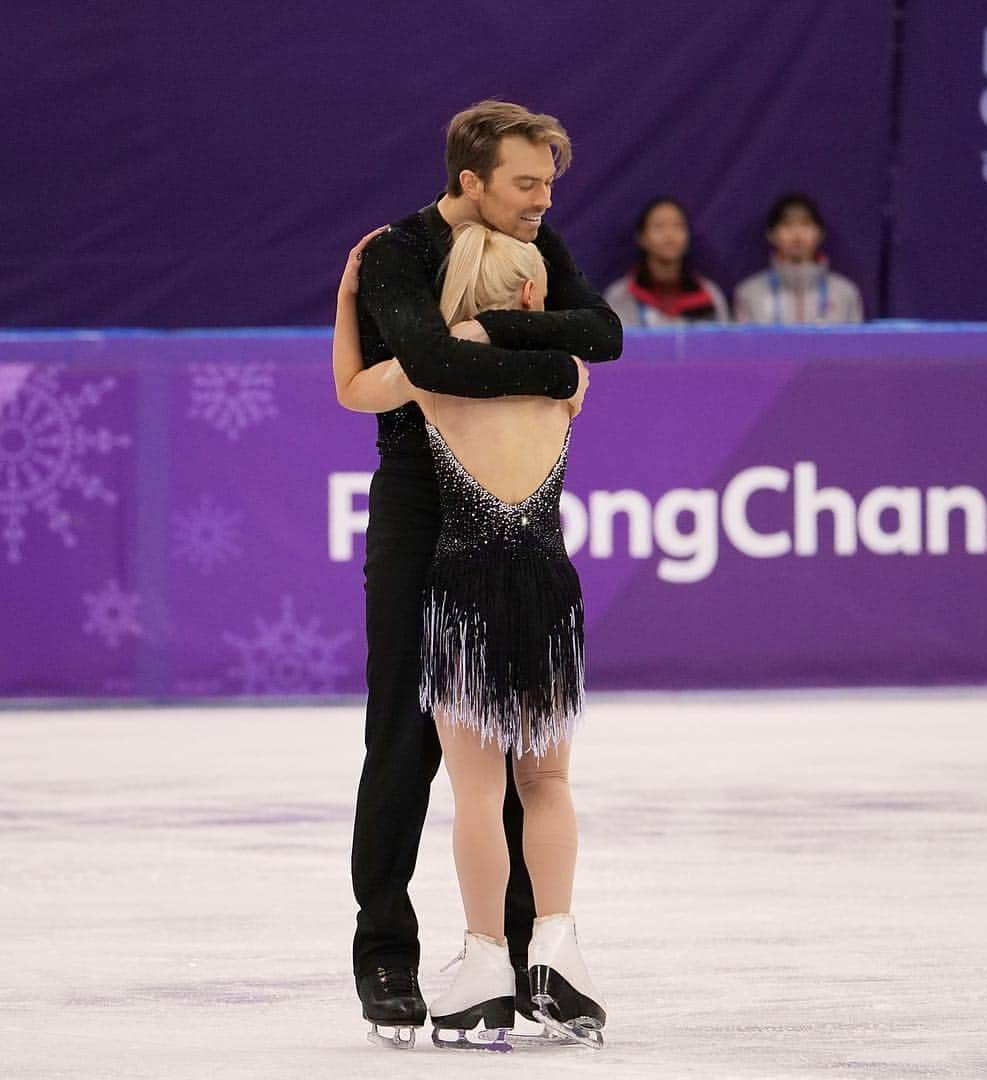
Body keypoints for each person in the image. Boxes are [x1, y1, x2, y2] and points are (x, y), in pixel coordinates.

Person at [332, 100, 621, 1050]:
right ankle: (388, 950)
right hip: (421, 506)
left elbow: (602, 331)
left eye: (548, 184)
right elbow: (429, 359)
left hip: (501, 497)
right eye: (527, 183)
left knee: (505, 747)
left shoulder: (535, 243)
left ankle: (527, 948)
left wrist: (491, 345)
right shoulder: (396, 252)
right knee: (407, 737)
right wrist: (541, 360)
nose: (544, 202)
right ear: (472, 182)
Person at [734, 193, 863, 324]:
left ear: (820, 233)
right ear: (771, 234)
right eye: (787, 225)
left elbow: (857, 343)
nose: (797, 234)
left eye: (806, 224)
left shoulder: (845, 292)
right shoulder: (749, 293)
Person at [603, 196, 729, 327]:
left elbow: (724, 342)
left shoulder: (709, 294)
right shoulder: (621, 296)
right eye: (659, 226)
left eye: (678, 225)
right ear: (641, 237)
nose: (669, 235)